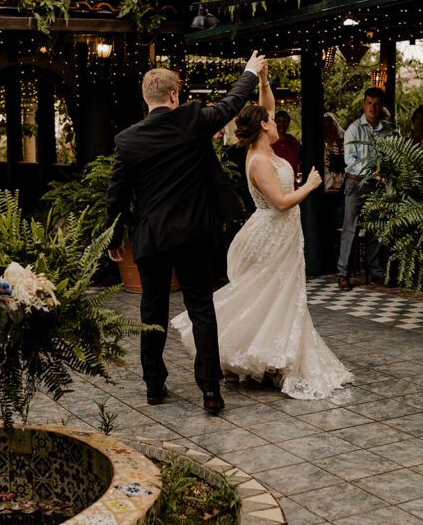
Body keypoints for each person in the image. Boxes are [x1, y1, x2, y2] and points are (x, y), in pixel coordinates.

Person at [105, 51, 267, 415]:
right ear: (174, 96)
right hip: (193, 234)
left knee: (152, 311)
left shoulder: (127, 141)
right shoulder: (192, 120)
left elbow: (116, 194)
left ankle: (153, 386)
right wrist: (249, 72)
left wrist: (113, 240)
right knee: (201, 310)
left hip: (152, 238)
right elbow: (230, 105)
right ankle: (211, 392)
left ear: (146, 99)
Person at [171, 77, 352, 400]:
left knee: (276, 295)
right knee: (266, 293)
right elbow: (281, 203)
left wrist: (264, 80)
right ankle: (243, 351)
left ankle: (270, 358)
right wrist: (310, 185)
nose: (277, 118)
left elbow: (265, 104)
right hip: (272, 232)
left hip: (284, 233)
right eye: (272, 118)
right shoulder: (259, 161)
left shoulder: (264, 145)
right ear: (265, 127)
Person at [337, 87, 395, 291]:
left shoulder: (388, 129)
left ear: (382, 106)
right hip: (355, 183)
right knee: (350, 229)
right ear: (364, 104)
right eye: (369, 102)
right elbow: (349, 161)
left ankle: (375, 273)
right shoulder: (354, 129)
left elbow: (392, 155)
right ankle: (343, 273)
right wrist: (372, 172)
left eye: (377, 103)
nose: (373, 107)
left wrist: (385, 172)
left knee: (376, 229)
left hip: (378, 185)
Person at [271, 109, 300, 179]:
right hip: (275, 180)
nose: (282, 124)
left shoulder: (293, 141)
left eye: (285, 121)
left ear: (288, 123)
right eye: (279, 121)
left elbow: (299, 162)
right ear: (274, 123)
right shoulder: (270, 142)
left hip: (293, 181)